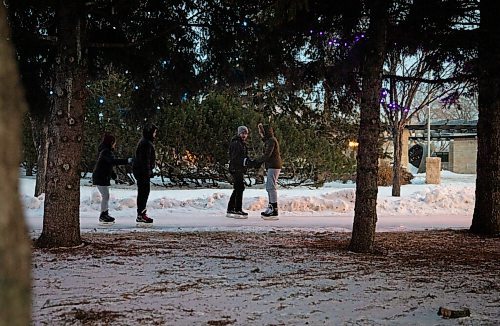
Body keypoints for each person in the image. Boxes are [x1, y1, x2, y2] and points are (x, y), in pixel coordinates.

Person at [92, 132, 132, 224]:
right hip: (100, 177)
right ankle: (103, 215)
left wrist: (113, 175)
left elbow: (107, 165)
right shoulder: (106, 151)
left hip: (102, 176)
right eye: (114, 143)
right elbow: (112, 161)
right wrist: (127, 161)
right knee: (105, 196)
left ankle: (104, 213)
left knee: (106, 196)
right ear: (111, 142)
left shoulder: (105, 151)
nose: (115, 144)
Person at [227, 125, 257, 219]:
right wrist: (245, 162)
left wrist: (249, 162)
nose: (244, 135)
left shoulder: (241, 143)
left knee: (237, 188)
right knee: (240, 188)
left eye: (245, 133)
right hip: (236, 168)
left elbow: (244, 156)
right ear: (239, 133)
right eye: (242, 133)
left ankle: (231, 208)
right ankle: (237, 209)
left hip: (238, 168)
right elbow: (235, 158)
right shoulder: (237, 143)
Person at [256, 123, 282, 220]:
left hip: (274, 165)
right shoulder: (269, 141)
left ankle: (274, 209)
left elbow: (267, 155)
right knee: (269, 186)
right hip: (272, 165)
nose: (260, 134)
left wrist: (257, 162)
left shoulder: (271, 141)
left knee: (271, 186)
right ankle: (271, 206)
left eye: (261, 132)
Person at [132, 123, 158, 224]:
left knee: (143, 193)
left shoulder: (145, 142)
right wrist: (148, 171)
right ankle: (141, 214)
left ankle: (141, 213)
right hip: (142, 173)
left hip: (141, 172)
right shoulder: (146, 144)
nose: (155, 134)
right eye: (154, 132)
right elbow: (145, 160)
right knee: (143, 193)